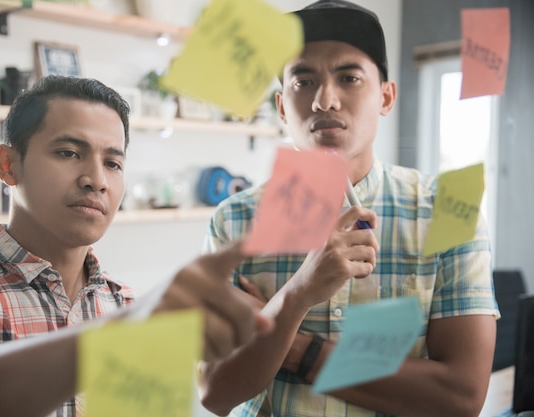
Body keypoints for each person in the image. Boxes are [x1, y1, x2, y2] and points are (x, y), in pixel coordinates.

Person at [197, 1, 499, 416]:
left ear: (386, 97)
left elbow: (461, 397)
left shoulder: (449, 213)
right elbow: (215, 393)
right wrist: (300, 291)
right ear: (283, 106)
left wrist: (290, 343)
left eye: (349, 77)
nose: (325, 100)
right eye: (303, 82)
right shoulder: (234, 220)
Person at [0, 75, 273, 417]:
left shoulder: (127, 304)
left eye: (112, 163)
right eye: (68, 152)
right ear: (8, 165)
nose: (96, 180)